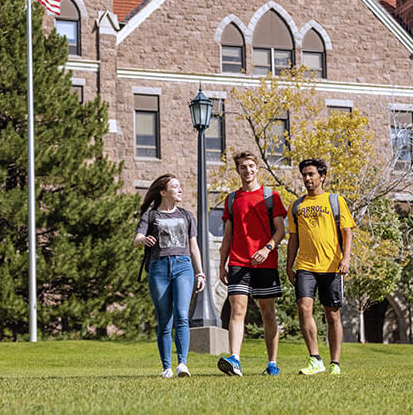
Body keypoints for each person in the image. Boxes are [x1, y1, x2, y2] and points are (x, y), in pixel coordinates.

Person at [217, 151, 287, 377]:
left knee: (267, 312)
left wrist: (267, 249)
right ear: (237, 171)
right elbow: (228, 235)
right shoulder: (231, 199)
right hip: (238, 262)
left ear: (257, 168)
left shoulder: (270, 196)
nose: (247, 170)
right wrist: (222, 263)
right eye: (242, 167)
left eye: (250, 166)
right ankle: (235, 359)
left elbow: (280, 230)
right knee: (237, 310)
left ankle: (272, 363)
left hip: (265, 262)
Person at [287, 159, 355, 375]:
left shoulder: (335, 201)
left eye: (311, 174)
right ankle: (315, 358)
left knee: (332, 314)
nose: (307, 178)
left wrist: (346, 259)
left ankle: (335, 362)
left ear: (322, 176)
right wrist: (289, 265)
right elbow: (293, 239)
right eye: (304, 175)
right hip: (306, 266)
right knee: (304, 308)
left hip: (332, 265)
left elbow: (347, 232)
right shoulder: (296, 206)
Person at [134, 174, 206, 378]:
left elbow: (194, 247)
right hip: (159, 269)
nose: (180, 190)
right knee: (165, 319)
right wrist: (144, 240)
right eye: (175, 187)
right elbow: (136, 239)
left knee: (182, 316)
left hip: (183, 266)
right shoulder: (150, 216)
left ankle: (182, 364)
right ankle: (166, 368)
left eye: (180, 186)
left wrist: (200, 272)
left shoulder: (187, 215)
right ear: (163, 192)